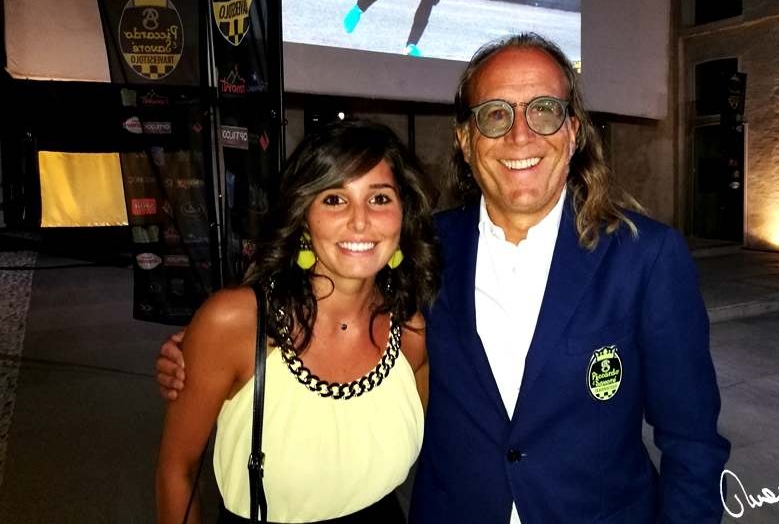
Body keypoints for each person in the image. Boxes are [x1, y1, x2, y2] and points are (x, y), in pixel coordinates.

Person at [160, 33, 730, 523]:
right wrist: (205, 351)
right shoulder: (425, 248)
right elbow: (335, 305)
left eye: (544, 110)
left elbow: (693, 444)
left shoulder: (647, 256)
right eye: (495, 115)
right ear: (465, 139)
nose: (520, 135)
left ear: (574, 131)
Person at [155, 120, 440, 523]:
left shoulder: (410, 332)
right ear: (303, 214)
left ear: (403, 214)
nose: (360, 221)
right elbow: (176, 471)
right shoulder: (239, 323)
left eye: (379, 199)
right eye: (334, 199)